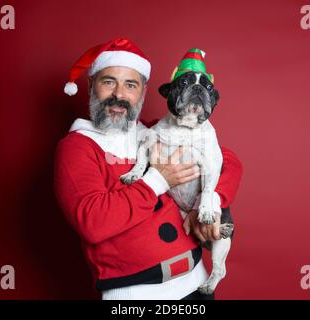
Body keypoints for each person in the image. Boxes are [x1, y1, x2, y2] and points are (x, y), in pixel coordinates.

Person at [54, 37, 243, 300]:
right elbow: (93, 222)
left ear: (142, 92)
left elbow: (229, 161)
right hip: (136, 295)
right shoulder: (77, 147)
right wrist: (158, 179)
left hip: (197, 282)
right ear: (90, 86)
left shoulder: (155, 130)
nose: (119, 94)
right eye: (109, 81)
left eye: (130, 84)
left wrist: (210, 202)